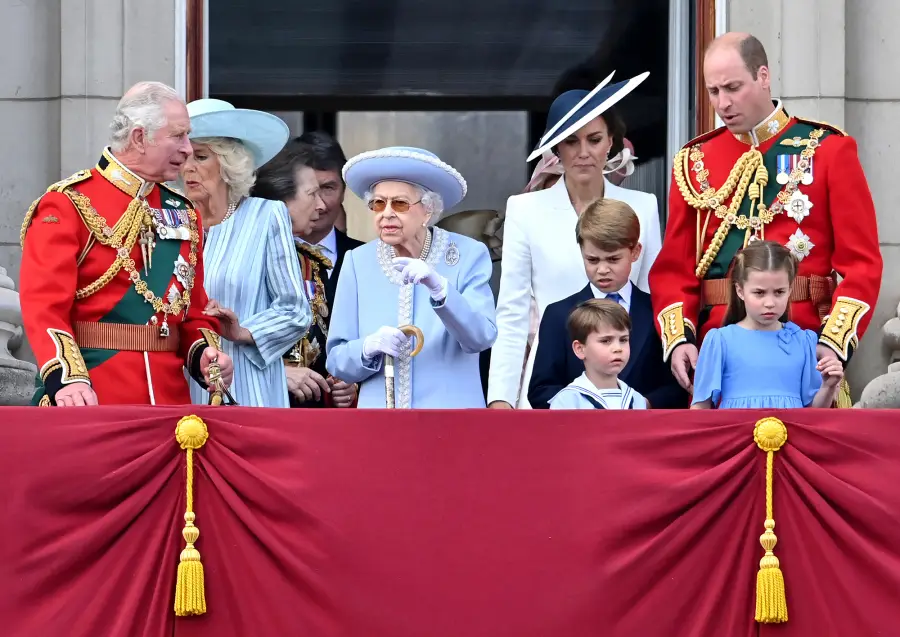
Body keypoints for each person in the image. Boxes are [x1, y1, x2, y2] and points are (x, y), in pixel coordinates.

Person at [649, 33, 882, 407]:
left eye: (733, 87)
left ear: (763, 76)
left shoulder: (826, 149)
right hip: (721, 353)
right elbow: (674, 271)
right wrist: (679, 340)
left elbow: (863, 265)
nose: (722, 103)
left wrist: (833, 343)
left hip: (805, 346)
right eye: (713, 92)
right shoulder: (695, 162)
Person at [19, 81, 233, 406]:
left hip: (171, 404)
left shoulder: (183, 213)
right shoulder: (69, 204)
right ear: (139, 138)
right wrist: (67, 379)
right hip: (91, 394)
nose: (188, 148)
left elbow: (192, 311)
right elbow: (44, 307)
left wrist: (203, 353)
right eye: (178, 136)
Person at [488, 71, 661, 409]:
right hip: (550, 386)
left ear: (611, 141)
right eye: (571, 141)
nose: (583, 152)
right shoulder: (525, 210)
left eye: (594, 139)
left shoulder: (643, 206)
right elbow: (512, 312)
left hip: (628, 389)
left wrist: (654, 395)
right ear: (556, 147)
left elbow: (652, 302)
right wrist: (500, 398)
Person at [326, 146, 497, 408]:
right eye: (378, 203)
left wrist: (441, 290)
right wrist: (368, 347)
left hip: (451, 421)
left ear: (428, 210)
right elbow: (337, 361)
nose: (386, 213)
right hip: (381, 426)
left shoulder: (468, 254)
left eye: (400, 203)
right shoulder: (357, 262)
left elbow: (481, 338)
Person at [182, 98, 310, 407]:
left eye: (200, 157)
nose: (188, 167)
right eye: (184, 157)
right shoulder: (173, 221)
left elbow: (296, 310)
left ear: (228, 164)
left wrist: (243, 331)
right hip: (184, 383)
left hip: (248, 384)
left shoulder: (266, 217)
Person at [529, 199, 686, 409]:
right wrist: (584, 404)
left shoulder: (659, 312)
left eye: (613, 259)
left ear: (635, 252)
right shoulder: (559, 314)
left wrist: (642, 404)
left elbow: (678, 386)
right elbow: (541, 390)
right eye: (592, 260)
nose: (602, 269)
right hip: (581, 433)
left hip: (646, 431)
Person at [253, 136, 362, 408]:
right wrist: (278, 374)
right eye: (312, 193)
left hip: (331, 418)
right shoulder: (251, 256)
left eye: (328, 188)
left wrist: (355, 382)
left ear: (344, 189)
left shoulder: (365, 259)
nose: (321, 205)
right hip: (262, 405)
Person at [690, 241, 844, 409]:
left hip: (791, 434)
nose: (770, 303)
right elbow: (700, 408)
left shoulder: (804, 341)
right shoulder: (720, 341)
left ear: (790, 290)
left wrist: (827, 387)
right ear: (740, 291)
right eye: (759, 293)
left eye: (779, 292)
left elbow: (814, 413)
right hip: (737, 433)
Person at [548, 299, 648, 410]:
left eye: (623, 340)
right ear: (580, 349)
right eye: (606, 341)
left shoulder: (636, 399)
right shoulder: (568, 400)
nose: (618, 348)